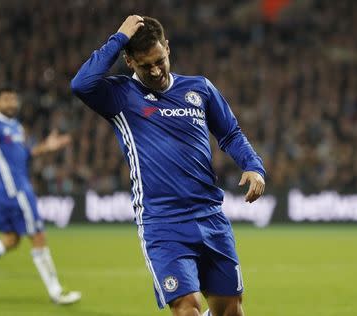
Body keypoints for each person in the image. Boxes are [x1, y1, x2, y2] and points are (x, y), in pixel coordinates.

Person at [71, 16, 265, 316]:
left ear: (168, 48)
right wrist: (119, 36)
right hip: (163, 221)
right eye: (145, 65)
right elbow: (81, 84)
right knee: (187, 309)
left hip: (210, 215)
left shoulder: (199, 88)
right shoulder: (119, 95)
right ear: (129, 61)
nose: (156, 70)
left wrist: (252, 165)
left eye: (160, 60)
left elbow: (230, 133)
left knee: (231, 311)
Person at [0, 87, 81, 305]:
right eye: (6, 99)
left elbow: (25, 155)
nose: (12, 103)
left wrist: (46, 147)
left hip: (14, 190)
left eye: (14, 98)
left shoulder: (15, 125)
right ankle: (56, 292)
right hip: (16, 192)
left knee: (11, 240)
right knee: (38, 236)